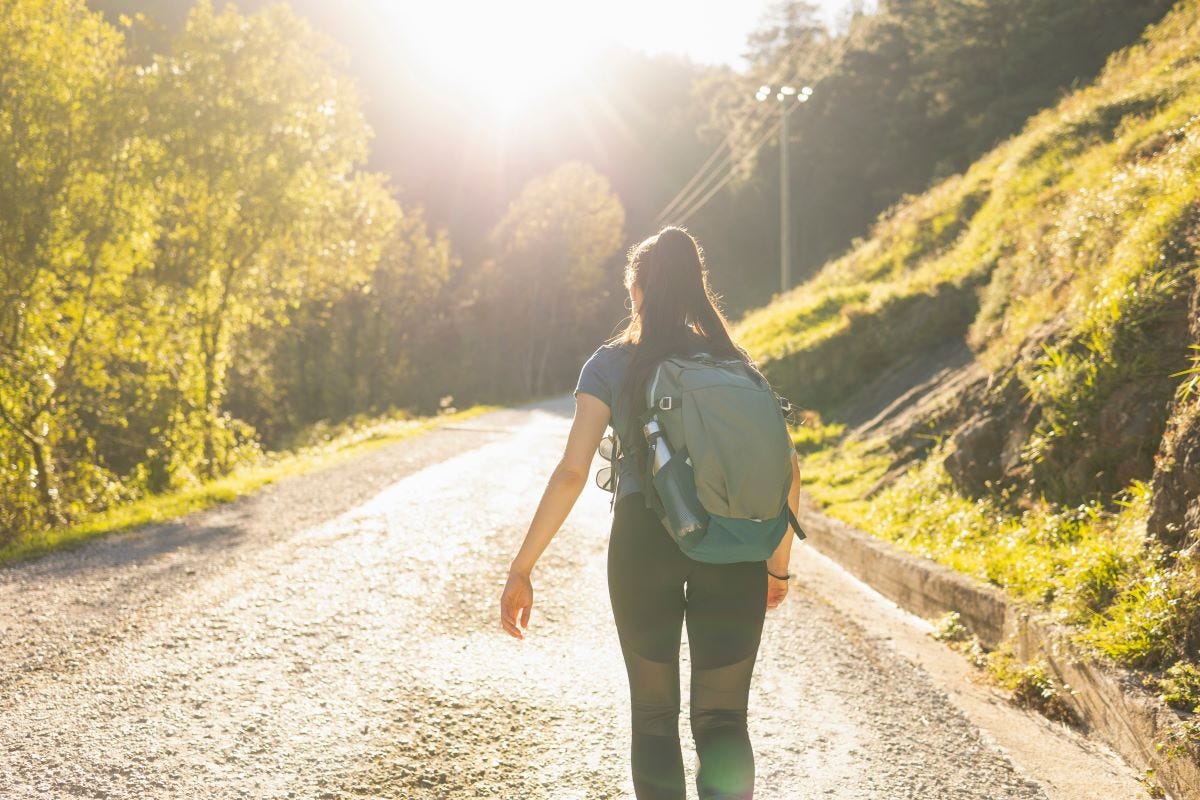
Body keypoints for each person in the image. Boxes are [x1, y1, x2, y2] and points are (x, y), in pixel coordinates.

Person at [499, 226, 802, 800]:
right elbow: (787, 469)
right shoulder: (736, 364)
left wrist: (523, 567)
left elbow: (571, 472)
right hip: (736, 544)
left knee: (654, 717)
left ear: (636, 290)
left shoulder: (612, 364)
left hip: (644, 543)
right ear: (695, 290)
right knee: (723, 720)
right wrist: (776, 567)